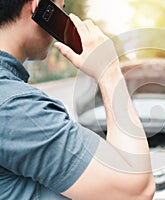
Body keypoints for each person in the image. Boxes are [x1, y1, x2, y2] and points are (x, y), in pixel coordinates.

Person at [0, 0, 155, 199]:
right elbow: (137, 190)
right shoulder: (15, 107)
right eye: (60, 10)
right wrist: (109, 71)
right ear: (39, 6)